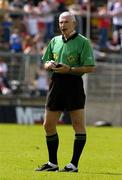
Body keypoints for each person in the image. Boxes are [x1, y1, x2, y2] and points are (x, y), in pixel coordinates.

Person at [35, 11, 95, 172]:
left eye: (66, 22)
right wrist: (48, 65)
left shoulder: (83, 42)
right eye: (61, 22)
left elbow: (90, 67)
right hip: (56, 84)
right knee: (48, 125)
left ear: (74, 23)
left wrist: (69, 69)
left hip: (74, 84)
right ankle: (52, 163)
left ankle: (73, 165)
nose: (63, 25)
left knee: (78, 125)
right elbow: (46, 61)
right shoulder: (54, 41)